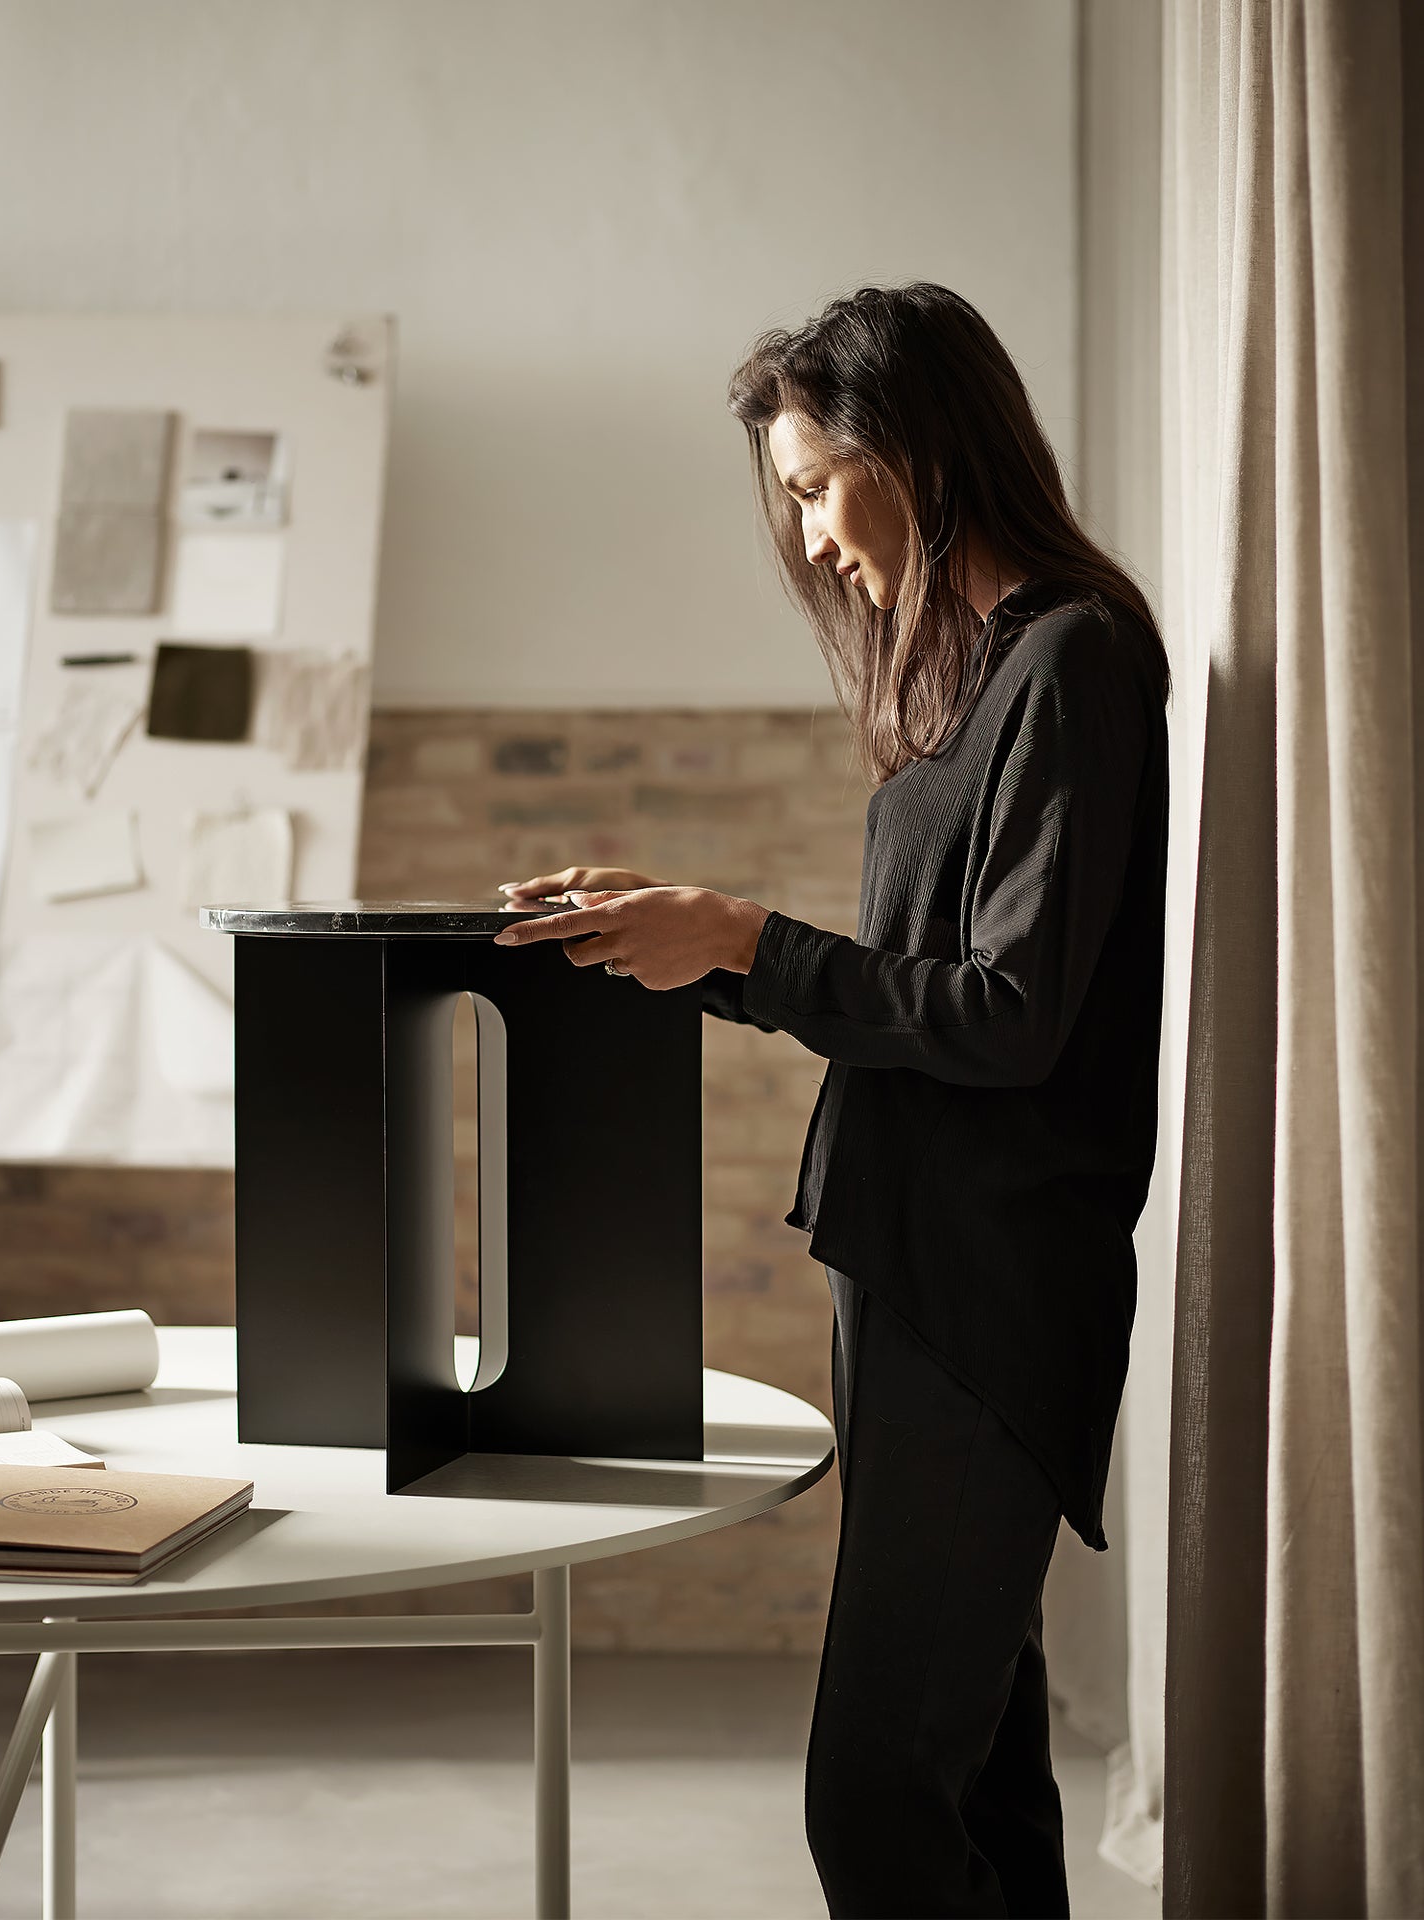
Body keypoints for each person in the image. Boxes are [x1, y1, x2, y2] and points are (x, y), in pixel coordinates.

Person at [491, 281, 1169, 1919]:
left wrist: (748, 936)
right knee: (982, 1778)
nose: (802, 539)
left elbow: (1007, 1020)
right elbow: (919, 1003)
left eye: (811, 485)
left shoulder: (1073, 661)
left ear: (916, 449)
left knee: (871, 1803)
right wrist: (690, 944)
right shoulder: (974, 677)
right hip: (914, 1271)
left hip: (990, 1292)